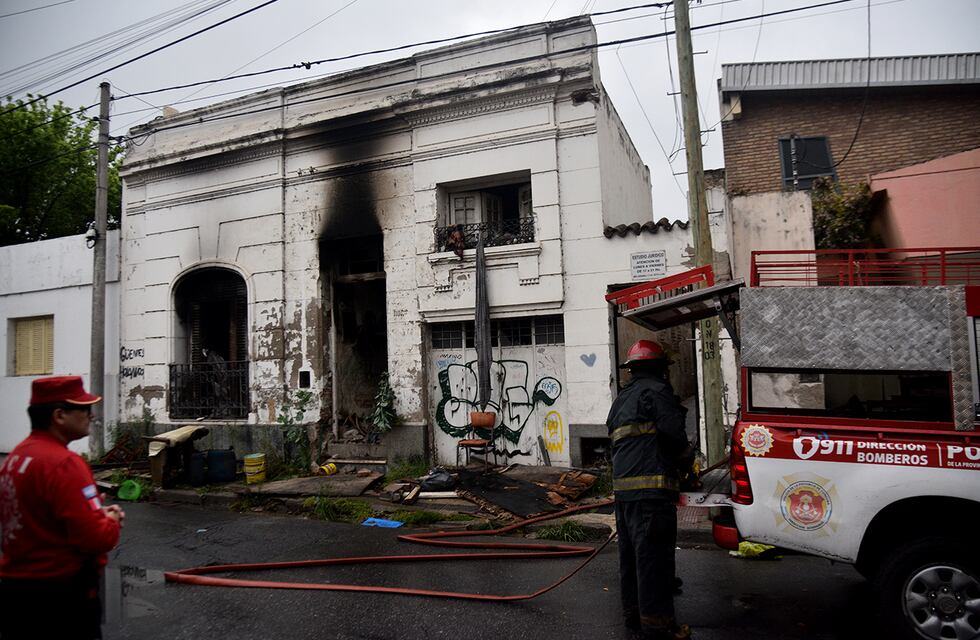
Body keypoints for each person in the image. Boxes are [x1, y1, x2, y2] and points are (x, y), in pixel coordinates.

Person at [0, 376, 124, 640]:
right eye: (84, 409)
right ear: (59, 415)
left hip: (16, 594)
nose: (91, 416)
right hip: (61, 598)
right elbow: (95, 537)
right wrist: (111, 519)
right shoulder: (64, 464)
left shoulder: (16, 457)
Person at [608, 339, 693, 640]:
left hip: (625, 496)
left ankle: (634, 617)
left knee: (631, 559)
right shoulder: (658, 393)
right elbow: (675, 438)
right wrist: (688, 462)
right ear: (660, 369)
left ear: (632, 369)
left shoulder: (621, 399)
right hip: (652, 496)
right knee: (653, 561)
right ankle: (659, 627)